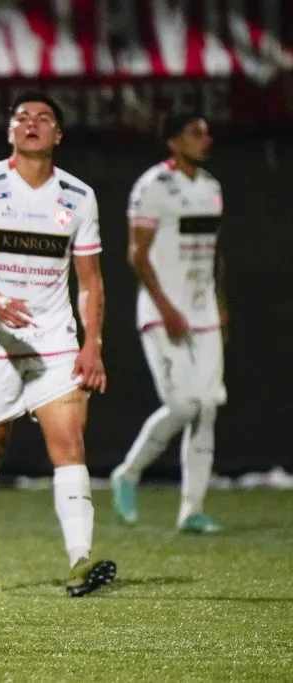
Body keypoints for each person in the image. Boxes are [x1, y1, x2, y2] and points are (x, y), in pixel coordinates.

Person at [0, 91, 116, 597]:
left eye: (44, 118)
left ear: (58, 135)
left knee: (70, 444)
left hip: (55, 343)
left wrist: (93, 345)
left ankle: (80, 560)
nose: (32, 124)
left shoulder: (79, 196)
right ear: (10, 132)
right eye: (22, 117)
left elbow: (90, 280)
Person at [110, 112, 227, 533]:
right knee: (182, 405)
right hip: (164, 313)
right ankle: (128, 473)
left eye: (206, 131)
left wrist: (219, 304)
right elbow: (137, 254)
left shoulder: (211, 188)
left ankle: (191, 509)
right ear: (174, 143)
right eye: (196, 133)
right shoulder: (153, 186)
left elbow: (214, 254)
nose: (205, 138)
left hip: (204, 313)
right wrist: (167, 307)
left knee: (208, 408)